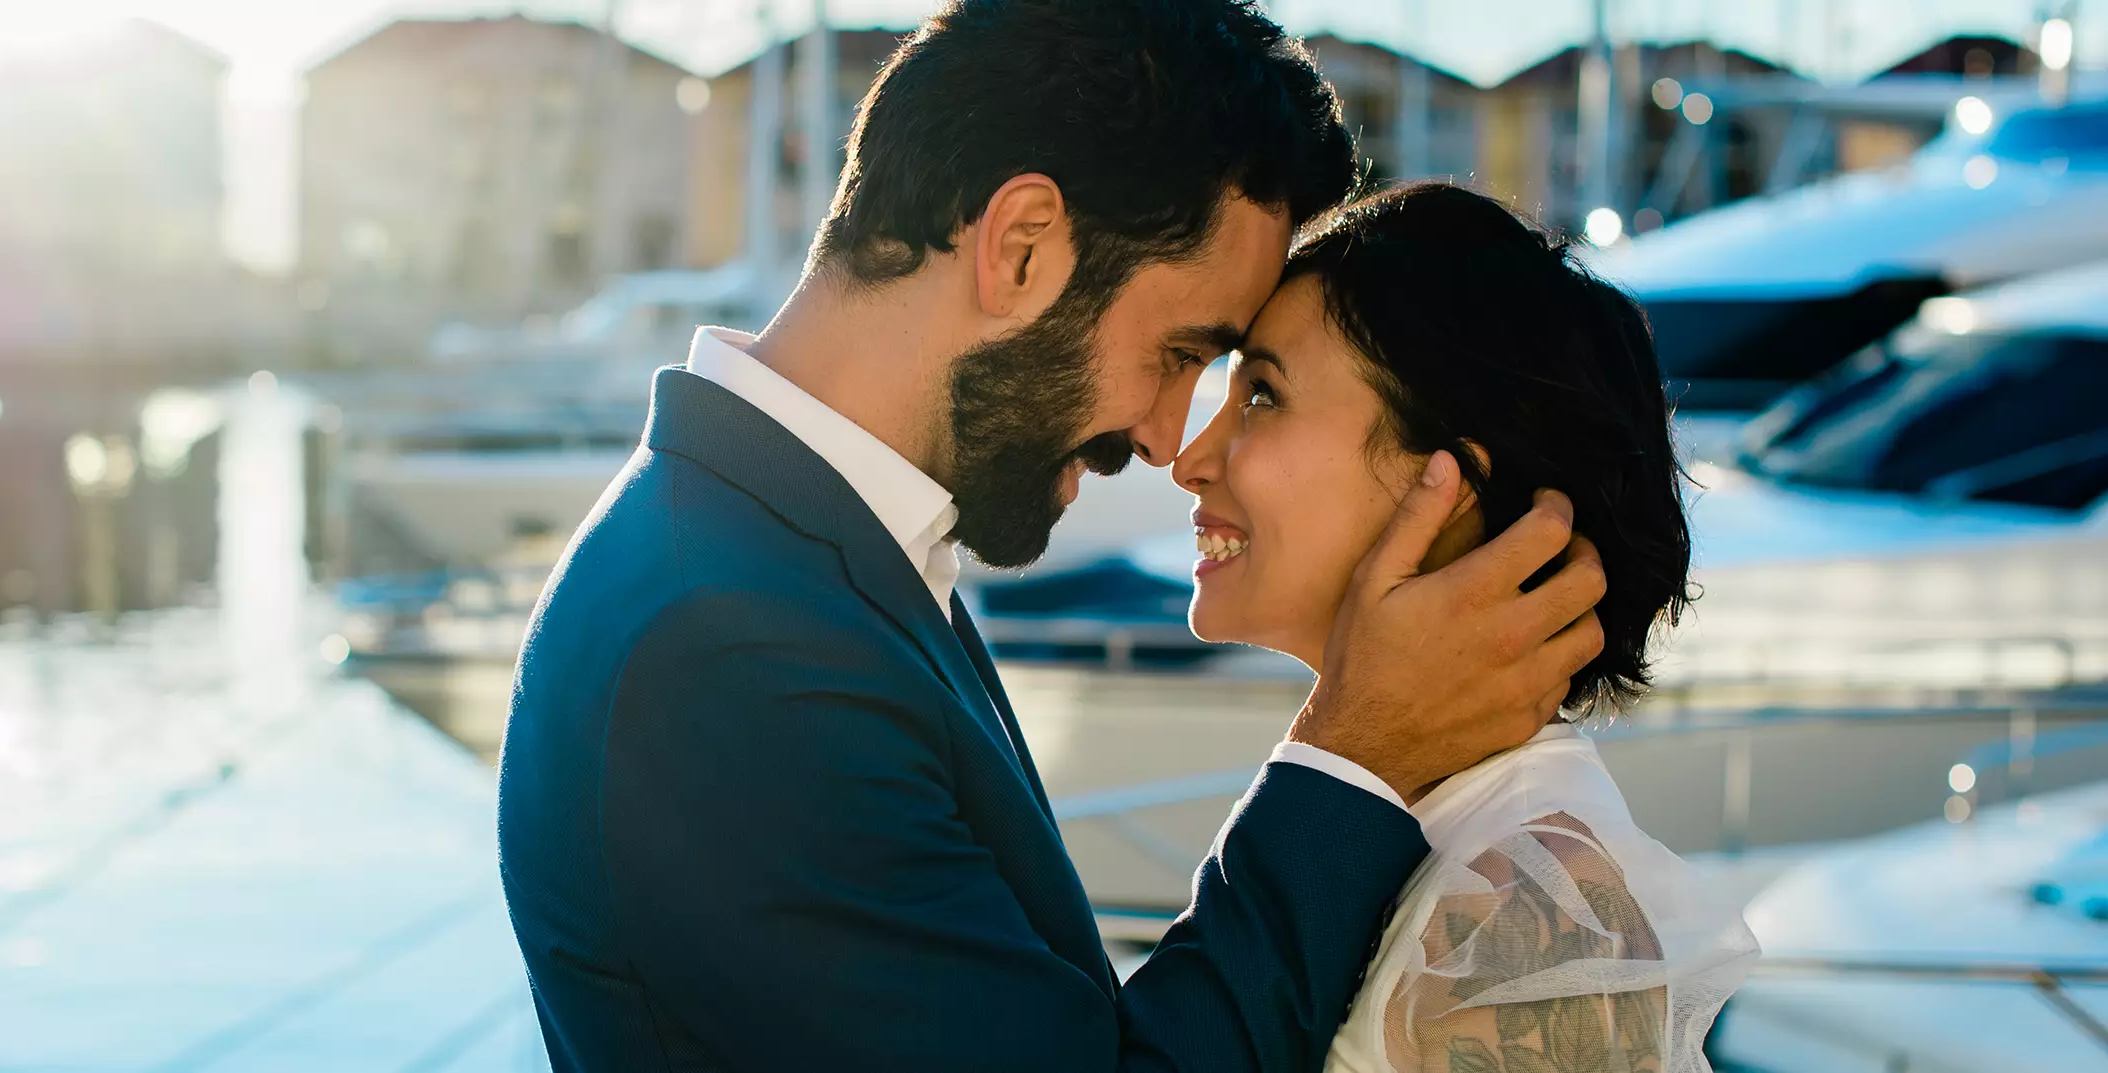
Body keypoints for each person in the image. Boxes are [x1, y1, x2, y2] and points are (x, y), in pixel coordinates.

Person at [497, 2, 1608, 1070]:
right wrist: (1360, 756)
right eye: (1181, 353)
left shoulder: (790, 555)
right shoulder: (728, 645)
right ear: (1020, 245)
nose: (1171, 437)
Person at [1172, 182, 1761, 1073]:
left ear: (1446, 492)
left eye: (1260, 395)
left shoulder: (1524, 912)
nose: (1190, 459)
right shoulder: (1442, 835)